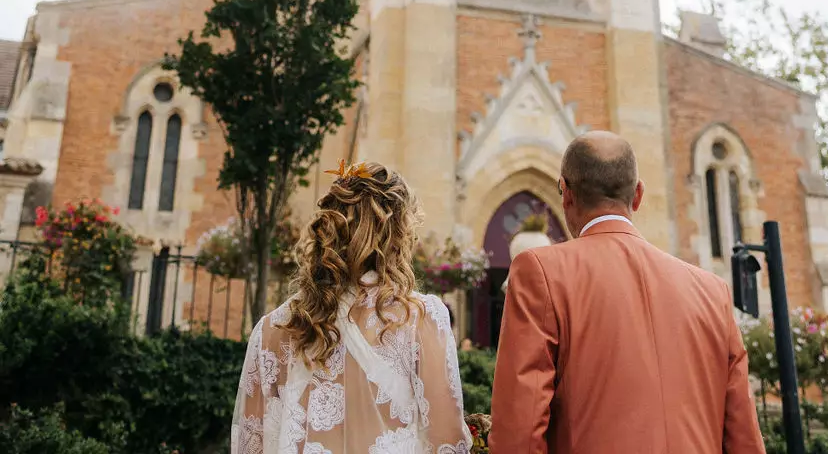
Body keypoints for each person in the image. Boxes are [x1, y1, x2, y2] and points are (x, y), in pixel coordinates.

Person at [490, 132, 766, 454]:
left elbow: (519, 430)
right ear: (637, 195)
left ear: (566, 194)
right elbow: (743, 434)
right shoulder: (712, 291)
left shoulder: (540, 270)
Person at [232, 159, 471, 453]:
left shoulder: (273, 330)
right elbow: (448, 443)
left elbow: (250, 444)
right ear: (397, 233)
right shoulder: (421, 319)